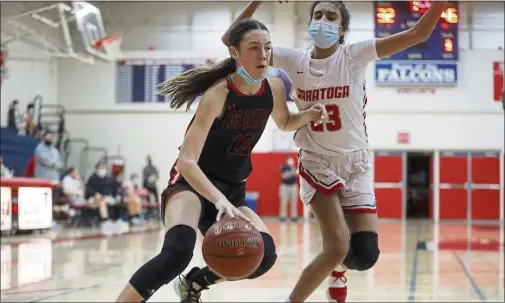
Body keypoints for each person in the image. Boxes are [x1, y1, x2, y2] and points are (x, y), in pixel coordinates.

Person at [222, 1, 449, 302]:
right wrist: (258, 1)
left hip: (356, 163)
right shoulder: (294, 60)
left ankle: (338, 268)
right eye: (318, 15)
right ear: (310, 23)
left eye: (332, 16)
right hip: (316, 160)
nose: (323, 20)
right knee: (337, 246)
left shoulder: (356, 55)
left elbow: (419, 34)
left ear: (342, 29)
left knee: (364, 255)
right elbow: (232, 41)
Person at [115, 19, 327, 303]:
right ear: (235, 53)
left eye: (267, 47)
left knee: (264, 255)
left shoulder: (275, 87)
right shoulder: (218, 95)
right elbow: (186, 161)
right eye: (254, 48)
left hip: (232, 190)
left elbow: (285, 122)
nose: (263, 54)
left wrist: (308, 116)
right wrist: (217, 200)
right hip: (191, 186)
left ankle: (195, 282)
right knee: (177, 254)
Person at [279, 155, 298, 221]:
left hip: (293, 186)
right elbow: (283, 176)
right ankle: (283, 216)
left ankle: (294, 216)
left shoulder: (294, 167)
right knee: (283, 201)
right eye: (289, 160)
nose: (290, 161)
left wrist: (292, 166)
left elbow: (295, 175)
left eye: (291, 160)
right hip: (284, 186)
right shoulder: (283, 167)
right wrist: (291, 174)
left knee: (294, 201)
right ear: (286, 161)